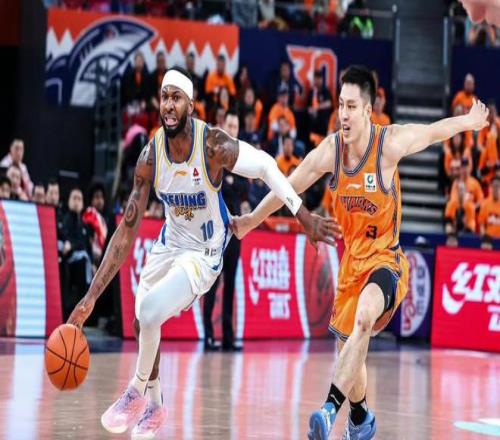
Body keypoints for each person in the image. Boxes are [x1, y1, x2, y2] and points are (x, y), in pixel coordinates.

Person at [67, 66, 335, 438]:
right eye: (164, 97)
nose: (169, 105)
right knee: (142, 323)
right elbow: (125, 230)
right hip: (170, 243)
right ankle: (156, 404)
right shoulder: (150, 156)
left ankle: (136, 390)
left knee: (150, 312)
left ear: (191, 105)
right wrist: (91, 297)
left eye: (176, 98)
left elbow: (265, 166)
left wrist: (303, 216)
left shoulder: (212, 145)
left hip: (204, 251)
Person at [232, 65, 489, 440]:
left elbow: (433, 132)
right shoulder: (331, 150)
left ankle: (327, 411)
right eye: (341, 105)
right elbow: (288, 187)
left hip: (386, 260)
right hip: (351, 265)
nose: (344, 114)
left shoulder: (389, 144)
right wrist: (251, 220)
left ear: (368, 110)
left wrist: (469, 121)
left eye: (352, 106)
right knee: (351, 350)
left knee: (365, 319)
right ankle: (360, 415)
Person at [203, 111, 249, 351]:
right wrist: (232, 187)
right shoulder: (216, 154)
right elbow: (218, 188)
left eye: (236, 126)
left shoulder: (241, 160)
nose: (232, 129)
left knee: (230, 283)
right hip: (216, 231)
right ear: (223, 126)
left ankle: (228, 337)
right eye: (230, 125)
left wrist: (233, 186)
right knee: (212, 282)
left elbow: (244, 188)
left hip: (236, 231)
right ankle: (208, 335)